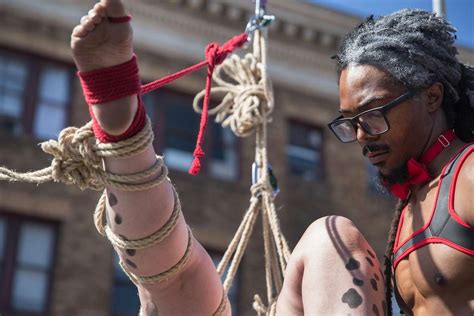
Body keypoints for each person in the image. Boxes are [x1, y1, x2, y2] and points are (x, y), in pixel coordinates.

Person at [71, 0, 473, 315]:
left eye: (373, 115)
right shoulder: (414, 204)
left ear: (432, 96)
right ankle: (125, 137)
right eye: (351, 122)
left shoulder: (468, 175)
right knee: (327, 239)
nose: (363, 136)